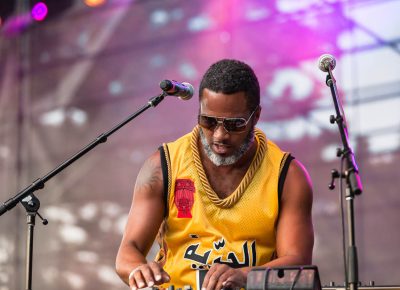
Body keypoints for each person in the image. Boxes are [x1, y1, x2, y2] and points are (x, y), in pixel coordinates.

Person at [115, 59, 314, 290]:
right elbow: (128, 251)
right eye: (208, 121)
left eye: (235, 124)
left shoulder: (287, 175)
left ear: (256, 116)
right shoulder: (162, 166)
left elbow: (298, 265)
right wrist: (138, 270)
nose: (220, 135)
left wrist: (245, 276)